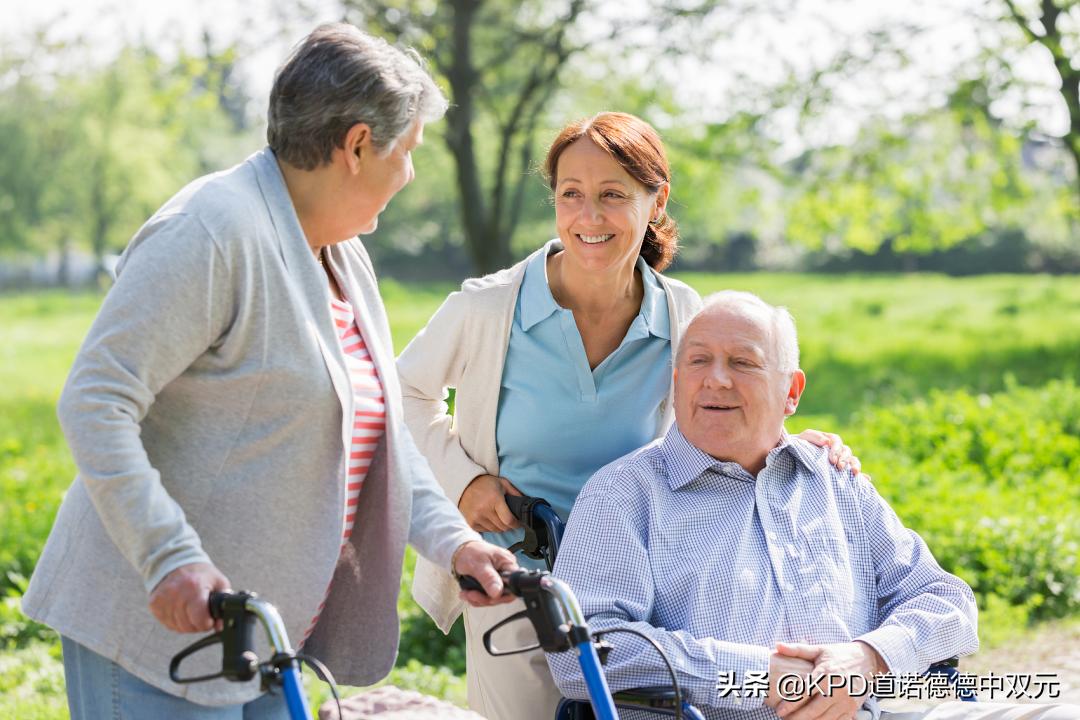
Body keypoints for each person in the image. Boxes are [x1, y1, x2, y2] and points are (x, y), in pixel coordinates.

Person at [22, 23, 516, 719]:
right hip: (157, 635)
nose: (408, 175)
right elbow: (95, 402)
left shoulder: (341, 254)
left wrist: (454, 542)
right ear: (356, 146)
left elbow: (374, 433)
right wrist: (167, 557)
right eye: (407, 154)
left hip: (265, 638)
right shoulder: (210, 230)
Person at [398, 112, 860, 720]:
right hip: (519, 581)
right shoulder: (487, 309)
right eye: (571, 195)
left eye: (613, 195)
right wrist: (464, 482)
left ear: (656, 199)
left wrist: (790, 443)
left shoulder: (680, 314)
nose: (589, 217)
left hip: (639, 595)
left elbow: (717, 413)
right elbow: (400, 394)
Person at [547, 291, 1079, 720]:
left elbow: (948, 603)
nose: (717, 378)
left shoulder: (835, 479)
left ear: (791, 391)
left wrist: (865, 659)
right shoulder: (625, 494)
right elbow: (584, 654)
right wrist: (761, 675)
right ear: (678, 379)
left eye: (743, 363)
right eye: (699, 361)